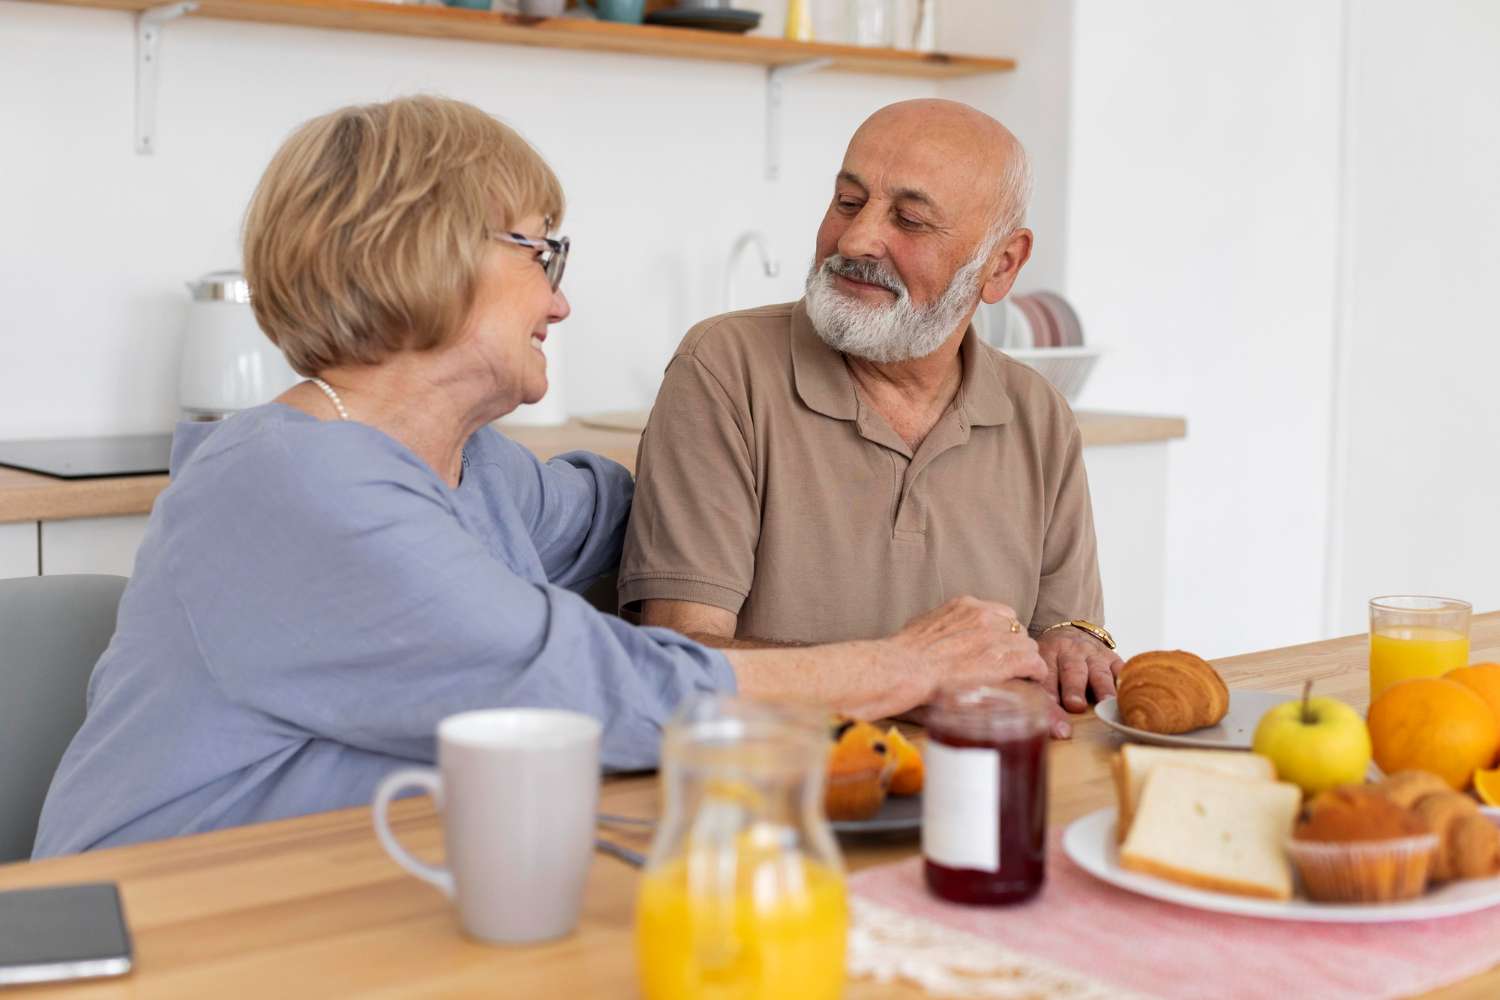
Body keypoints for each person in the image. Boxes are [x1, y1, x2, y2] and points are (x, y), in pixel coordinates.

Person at [34, 96, 1044, 857]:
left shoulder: (472, 471)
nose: (560, 302)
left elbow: (637, 511)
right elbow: (598, 688)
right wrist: (906, 662)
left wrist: (772, 435)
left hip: (365, 897)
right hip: (169, 931)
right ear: (422, 249)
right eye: (540, 254)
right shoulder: (292, 490)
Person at [619, 99, 1122, 738]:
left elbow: (1063, 640)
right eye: (848, 202)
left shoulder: (1040, 414)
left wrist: (1076, 646)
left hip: (975, 778)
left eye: (909, 219)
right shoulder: (724, 367)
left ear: (1001, 265)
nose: (855, 240)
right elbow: (680, 664)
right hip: (781, 779)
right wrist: (908, 676)